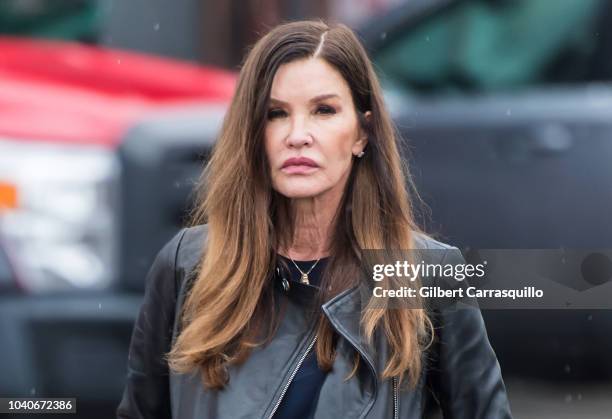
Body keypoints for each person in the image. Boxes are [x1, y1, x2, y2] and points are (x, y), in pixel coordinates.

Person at [117, 20, 512, 419]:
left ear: (362, 132)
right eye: (276, 113)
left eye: (324, 110)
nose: (298, 134)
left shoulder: (426, 273)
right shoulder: (186, 264)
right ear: (253, 134)